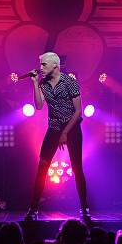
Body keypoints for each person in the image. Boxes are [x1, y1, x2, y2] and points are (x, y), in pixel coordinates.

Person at [25, 52, 90, 221]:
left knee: (77, 168)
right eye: (40, 64)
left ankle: (84, 207)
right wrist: (34, 83)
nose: (40, 68)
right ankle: (33, 208)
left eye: (43, 65)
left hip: (72, 128)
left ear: (55, 65)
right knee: (42, 167)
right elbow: (39, 106)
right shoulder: (43, 83)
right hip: (53, 128)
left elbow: (78, 111)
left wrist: (65, 133)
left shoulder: (70, 83)